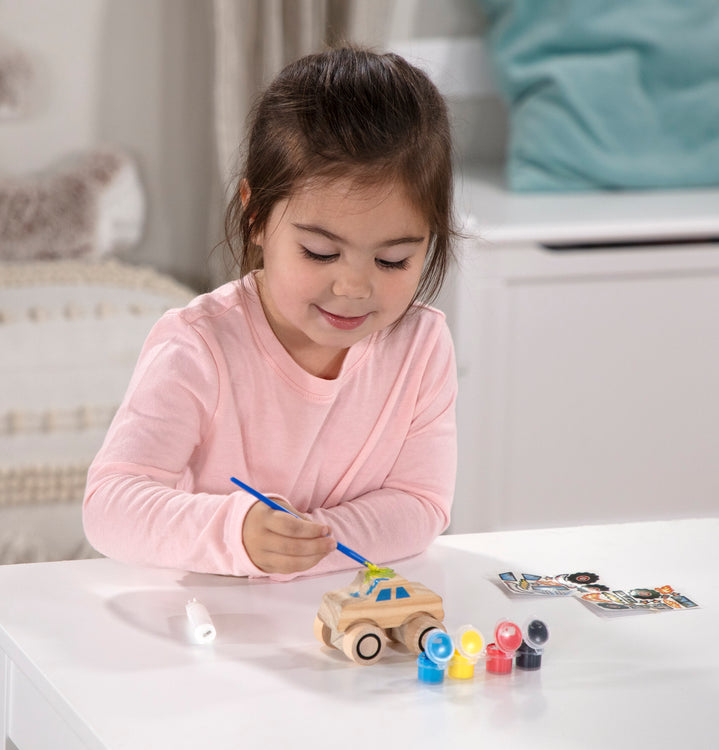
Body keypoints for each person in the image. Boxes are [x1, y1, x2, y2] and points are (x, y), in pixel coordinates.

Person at [83, 46, 459, 580]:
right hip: (216, 620)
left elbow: (421, 503)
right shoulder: (197, 347)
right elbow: (109, 506)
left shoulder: (421, 346)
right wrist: (237, 533)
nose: (354, 287)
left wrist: (309, 543)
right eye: (321, 253)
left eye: (392, 259)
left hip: (350, 620)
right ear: (256, 216)